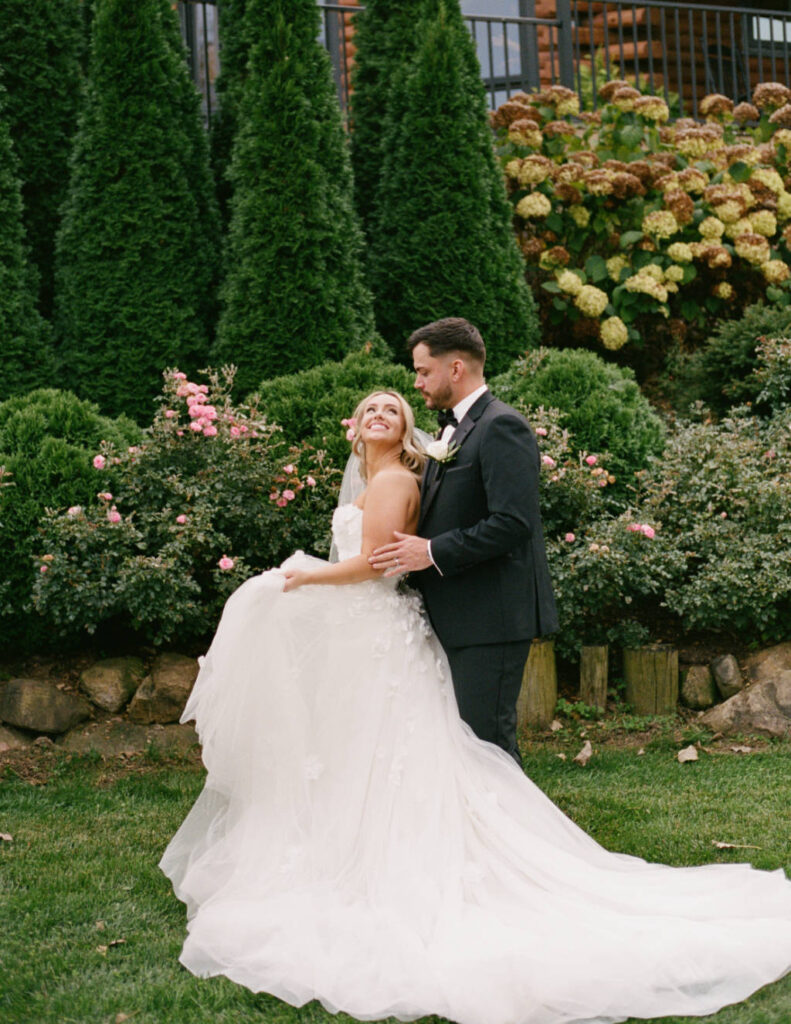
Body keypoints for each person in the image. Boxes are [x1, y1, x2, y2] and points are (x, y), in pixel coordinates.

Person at [160, 387, 791, 1024]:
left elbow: (376, 565)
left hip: (382, 634)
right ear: (354, 426)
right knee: (360, 755)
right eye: (371, 409)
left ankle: (465, 864)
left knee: (408, 752)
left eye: (394, 409)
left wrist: (294, 576)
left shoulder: (397, 481)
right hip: (367, 637)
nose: (381, 415)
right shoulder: (380, 477)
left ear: (406, 426)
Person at [370, 317, 557, 765]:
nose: (416, 383)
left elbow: (513, 522)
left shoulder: (502, 426)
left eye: (423, 371)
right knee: (462, 750)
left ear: (455, 369)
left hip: (490, 618)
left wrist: (430, 551)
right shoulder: (452, 429)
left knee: (487, 748)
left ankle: (511, 834)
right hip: (458, 614)